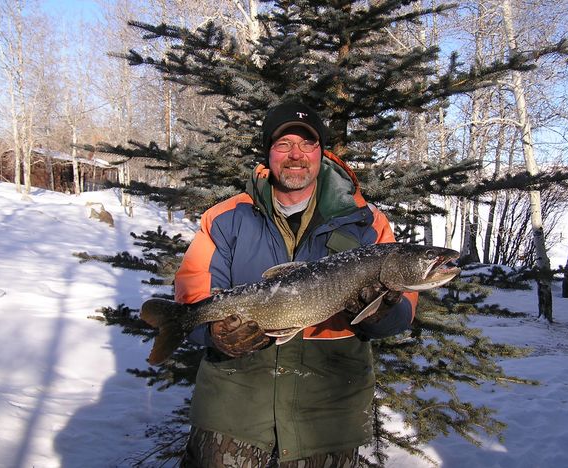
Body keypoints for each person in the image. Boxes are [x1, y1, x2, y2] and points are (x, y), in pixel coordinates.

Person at [174, 102, 418, 467]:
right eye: (284, 144)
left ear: (322, 153)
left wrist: (380, 313)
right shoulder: (224, 218)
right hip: (234, 407)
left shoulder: (367, 223)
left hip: (328, 415)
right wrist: (214, 334)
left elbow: (403, 314)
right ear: (268, 153)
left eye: (307, 144)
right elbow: (192, 296)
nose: (296, 156)